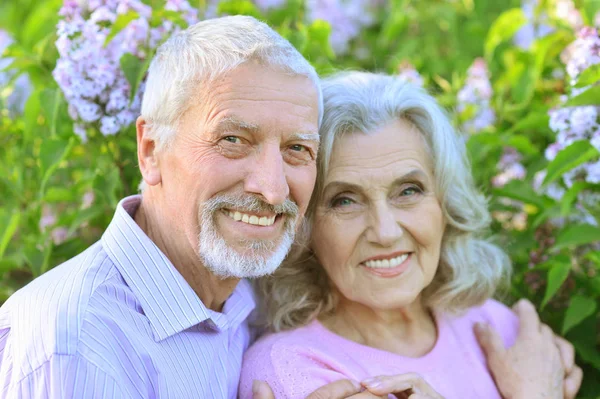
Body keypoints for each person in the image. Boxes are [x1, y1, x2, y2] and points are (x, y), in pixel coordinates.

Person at [0, 15, 323, 398]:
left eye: (298, 149)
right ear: (151, 151)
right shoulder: (82, 345)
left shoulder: (251, 302)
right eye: (233, 140)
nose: (272, 189)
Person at [240, 72, 583, 399]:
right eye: (344, 200)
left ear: (445, 204)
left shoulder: (495, 326)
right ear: (304, 226)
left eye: (408, 191)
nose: (386, 232)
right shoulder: (293, 369)